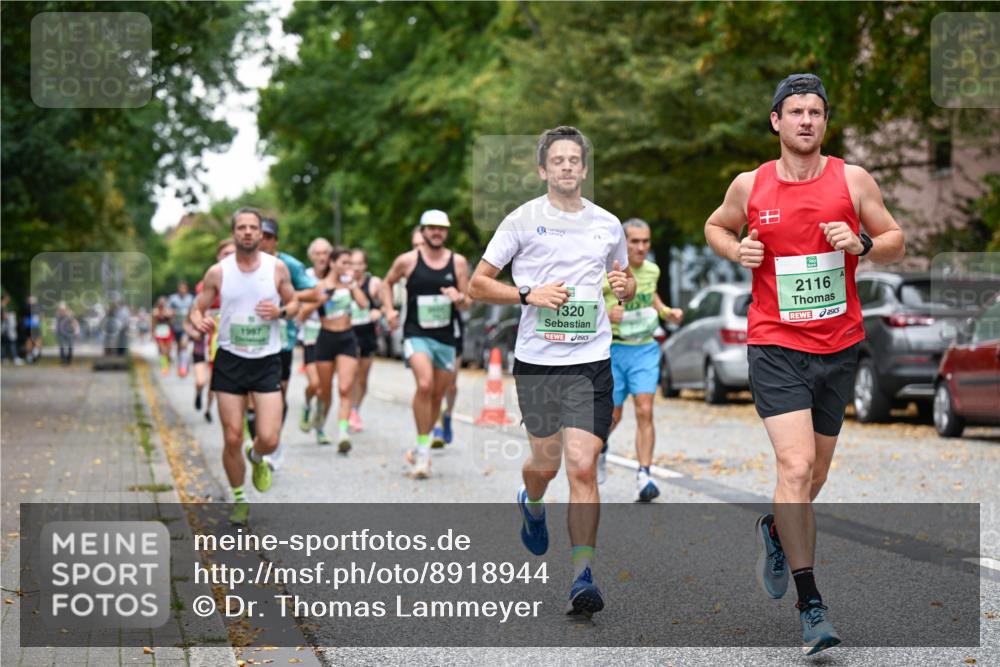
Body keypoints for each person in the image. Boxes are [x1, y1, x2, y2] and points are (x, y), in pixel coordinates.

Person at [704, 74, 905, 655]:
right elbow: (717, 225)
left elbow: (895, 236)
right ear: (776, 121)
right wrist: (734, 248)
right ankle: (811, 603)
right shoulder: (751, 185)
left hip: (838, 345)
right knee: (793, 468)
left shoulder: (852, 179)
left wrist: (862, 244)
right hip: (774, 343)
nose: (807, 121)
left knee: (813, 477)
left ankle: (774, 527)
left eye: (816, 111)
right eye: (796, 111)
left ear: (824, 121)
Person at [468, 126, 635, 617]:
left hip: (591, 360)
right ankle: (532, 501)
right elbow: (478, 285)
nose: (566, 167)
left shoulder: (608, 223)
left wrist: (622, 286)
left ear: (584, 168)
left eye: (574, 160)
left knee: (583, 465)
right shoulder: (521, 220)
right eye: (556, 160)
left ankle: (583, 575)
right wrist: (527, 295)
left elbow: (621, 285)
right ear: (543, 170)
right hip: (538, 362)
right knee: (546, 463)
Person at [189, 207, 300, 526]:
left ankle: (257, 457)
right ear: (234, 232)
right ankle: (239, 497)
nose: (249, 232)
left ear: (261, 233)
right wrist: (201, 321)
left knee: (269, 438)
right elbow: (196, 312)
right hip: (230, 360)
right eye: (242, 227)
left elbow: (294, 305)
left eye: (254, 227)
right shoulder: (218, 272)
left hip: (266, 360)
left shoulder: (276, 268)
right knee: (233, 436)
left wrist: (279, 313)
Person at [382, 211, 471, 478]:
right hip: (416, 332)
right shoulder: (407, 261)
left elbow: (468, 301)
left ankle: (421, 446)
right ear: (422, 231)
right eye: (431, 229)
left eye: (441, 229)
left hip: (445, 337)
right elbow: (386, 284)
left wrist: (458, 298)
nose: (436, 233)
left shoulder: (458, 262)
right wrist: (388, 310)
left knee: (436, 396)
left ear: (447, 232)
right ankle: (423, 452)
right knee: (424, 384)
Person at [599, 218, 683, 501]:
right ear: (623, 243)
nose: (641, 247)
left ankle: (644, 474)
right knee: (614, 414)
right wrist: (607, 312)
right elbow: (591, 304)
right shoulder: (607, 272)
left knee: (645, 409)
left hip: (645, 348)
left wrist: (665, 311)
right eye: (634, 241)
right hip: (613, 350)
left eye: (645, 241)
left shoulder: (652, 270)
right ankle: (600, 445)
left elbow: (650, 296)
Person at [258, 217, 318, 470]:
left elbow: (314, 292)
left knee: (278, 393)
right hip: (251, 338)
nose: (263, 241)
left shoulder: (289, 265)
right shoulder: (244, 264)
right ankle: (259, 439)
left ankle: (274, 442)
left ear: (276, 240)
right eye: (260, 235)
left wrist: (284, 296)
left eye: (269, 237)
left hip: (282, 338)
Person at [303, 246, 368, 451]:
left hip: (347, 338)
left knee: (345, 388)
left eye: (350, 263)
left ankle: (342, 433)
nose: (348, 267)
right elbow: (302, 314)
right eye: (344, 263)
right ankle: (319, 424)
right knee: (324, 391)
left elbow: (364, 304)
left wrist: (353, 286)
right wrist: (320, 301)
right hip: (325, 339)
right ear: (332, 263)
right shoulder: (320, 286)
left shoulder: (351, 285)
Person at [192, 239, 236, 422]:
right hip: (209, 341)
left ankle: (211, 410)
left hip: (238, 341)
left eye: (233, 253)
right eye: (226, 254)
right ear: (218, 256)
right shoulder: (209, 281)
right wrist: (199, 324)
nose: (230, 257)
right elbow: (195, 311)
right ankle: (205, 401)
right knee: (207, 380)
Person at [297, 238, 332, 433]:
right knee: (315, 384)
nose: (321, 257)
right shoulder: (305, 279)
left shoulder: (336, 278)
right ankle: (307, 404)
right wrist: (319, 301)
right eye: (317, 253)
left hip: (331, 335)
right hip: (310, 336)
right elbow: (301, 313)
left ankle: (320, 427)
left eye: (325, 253)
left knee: (325, 388)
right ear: (311, 256)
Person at [348, 248, 383, 432]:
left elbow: (386, 304)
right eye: (352, 263)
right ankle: (349, 410)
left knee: (362, 377)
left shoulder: (374, 283)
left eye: (360, 264)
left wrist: (379, 311)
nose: (356, 268)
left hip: (367, 333)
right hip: (348, 332)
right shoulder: (344, 282)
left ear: (365, 265)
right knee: (351, 373)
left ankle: (355, 409)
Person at [167, 281, 195, 377]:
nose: (182, 290)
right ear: (178, 289)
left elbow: (195, 310)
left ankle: (184, 367)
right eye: (180, 288)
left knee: (184, 345)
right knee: (179, 346)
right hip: (176, 326)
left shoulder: (191, 299)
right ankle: (181, 363)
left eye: (184, 288)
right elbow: (168, 311)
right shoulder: (173, 299)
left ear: (187, 289)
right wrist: (172, 314)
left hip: (187, 326)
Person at [152, 297, 174, 375]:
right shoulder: (155, 311)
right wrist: (153, 332)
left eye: (163, 302)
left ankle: (168, 359)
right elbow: (153, 322)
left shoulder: (168, 311)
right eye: (160, 303)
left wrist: (167, 314)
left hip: (167, 331)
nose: (162, 304)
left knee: (168, 350)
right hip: (159, 331)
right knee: (162, 350)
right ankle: (164, 367)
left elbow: (171, 319)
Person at [1, 292, 22, 365]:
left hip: (4, 328)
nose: (9, 299)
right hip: (5, 328)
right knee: (12, 342)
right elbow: (3, 317)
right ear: (5, 298)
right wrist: (10, 315)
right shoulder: (2, 306)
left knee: (4, 343)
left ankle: (3, 358)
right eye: (8, 298)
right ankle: (15, 358)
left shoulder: (3, 306)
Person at [23, 296, 41, 363]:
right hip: (34, 325)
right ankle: (34, 353)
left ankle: (30, 356)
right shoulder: (36, 307)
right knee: (36, 340)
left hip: (28, 325)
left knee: (29, 340)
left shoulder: (25, 307)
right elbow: (40, 316)